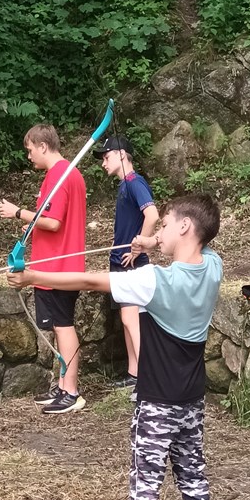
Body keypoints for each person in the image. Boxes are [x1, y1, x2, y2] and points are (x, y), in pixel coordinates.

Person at [7, 193, 223, 500]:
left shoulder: (155, 281)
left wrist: (32, 276)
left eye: (165, 224)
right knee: (192, 475)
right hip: (191, 397)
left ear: (184, 227)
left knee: (146, 482)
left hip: (157, 400)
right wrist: (152, 241)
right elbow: (198, 247)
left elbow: (91, 281)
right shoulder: (213, 267)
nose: (159, 231)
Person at [0, 123, 86, 415]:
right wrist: (32, 226)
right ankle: (62, 387)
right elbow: (51, 221)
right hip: (56, 263)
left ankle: (71, 391)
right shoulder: (64, 173)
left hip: (59, 266)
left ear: (43, 146)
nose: (29, 156)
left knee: (63, 326)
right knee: (60, 326)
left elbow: (54, 222)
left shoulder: (59, 174)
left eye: (30, 150)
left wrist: (18, 212)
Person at [93, 134, 159, 389]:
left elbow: (152, 215)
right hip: (120, 261)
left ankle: (148, 377)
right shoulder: (125, 185)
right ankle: (135, 373)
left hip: (130, 262)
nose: (103, 163)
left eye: (106, 157)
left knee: (132, 319)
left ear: (122, 155)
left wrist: (138, 245)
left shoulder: (134, 182)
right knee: (127, 318)